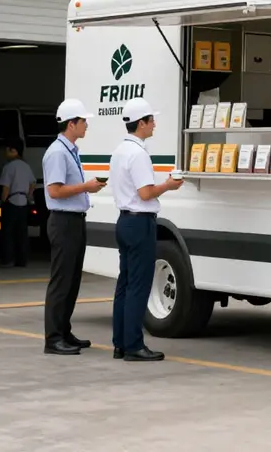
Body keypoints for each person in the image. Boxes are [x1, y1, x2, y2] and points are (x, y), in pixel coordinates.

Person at [109, 97, 182, 362]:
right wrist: (169, 185)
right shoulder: (138, 153)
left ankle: (120, 342)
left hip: (124, 220)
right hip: (140, 222)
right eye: (151, 120)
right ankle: (134, 346)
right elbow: (146, 192)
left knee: (125, 284)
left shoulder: (120, 151)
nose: (154, 124)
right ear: (141, 123)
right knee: (139, 286)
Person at [42, 98, 106, 355]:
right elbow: (55, 191)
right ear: (71, 124)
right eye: (83, 121)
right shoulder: (57, 152)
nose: (86, 125)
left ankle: (64, 331)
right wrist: (86, 187)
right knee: (61, 281)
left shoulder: (69, 150)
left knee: (72, 280)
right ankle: (53, 338)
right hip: (63, 220)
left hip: (74, 220)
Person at [0, 137, 36, 268]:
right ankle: (22, 260)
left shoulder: (9, 167)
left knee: (7, 232)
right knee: (22, 233)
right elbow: (32, 183)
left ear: (13, 151)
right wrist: (29, 196)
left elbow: (5, 187)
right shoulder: (26, 166)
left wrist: (2, 201)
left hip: (11, 202)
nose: (5, 153)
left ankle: (7, 259)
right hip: (23, 203)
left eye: (7, 151)